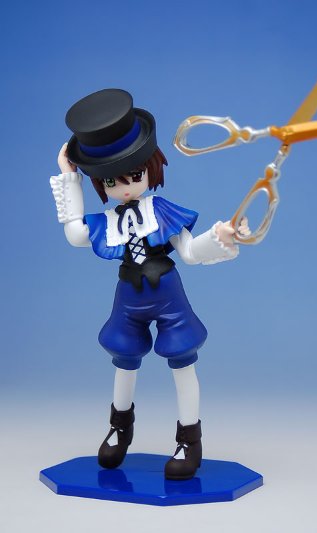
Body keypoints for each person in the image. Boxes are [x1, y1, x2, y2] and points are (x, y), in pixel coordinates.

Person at [50, 88, 249, 480]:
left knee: (182, 361)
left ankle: (189, 439)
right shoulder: (109, 221)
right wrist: (69, 177)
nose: (125, 187)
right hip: (128, 296)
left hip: (168, 295)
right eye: (111, 180)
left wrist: (220, 236)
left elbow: (189, 252)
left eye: (134, 175)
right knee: (124, 361)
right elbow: (75, 234)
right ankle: (119, 429)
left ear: (149, 169)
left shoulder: (162, 210)